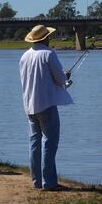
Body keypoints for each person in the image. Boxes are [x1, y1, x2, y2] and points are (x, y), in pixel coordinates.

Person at [19, 24, 73, 191]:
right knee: (50, 142)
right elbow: (60, 79)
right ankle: (49, 183)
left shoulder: (24, 56)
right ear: (45, 38)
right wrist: (66, 80)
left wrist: (62, 79)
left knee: (34, 143)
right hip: (46, 104)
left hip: (29, 105)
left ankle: (36, 181)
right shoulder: (49, 54)